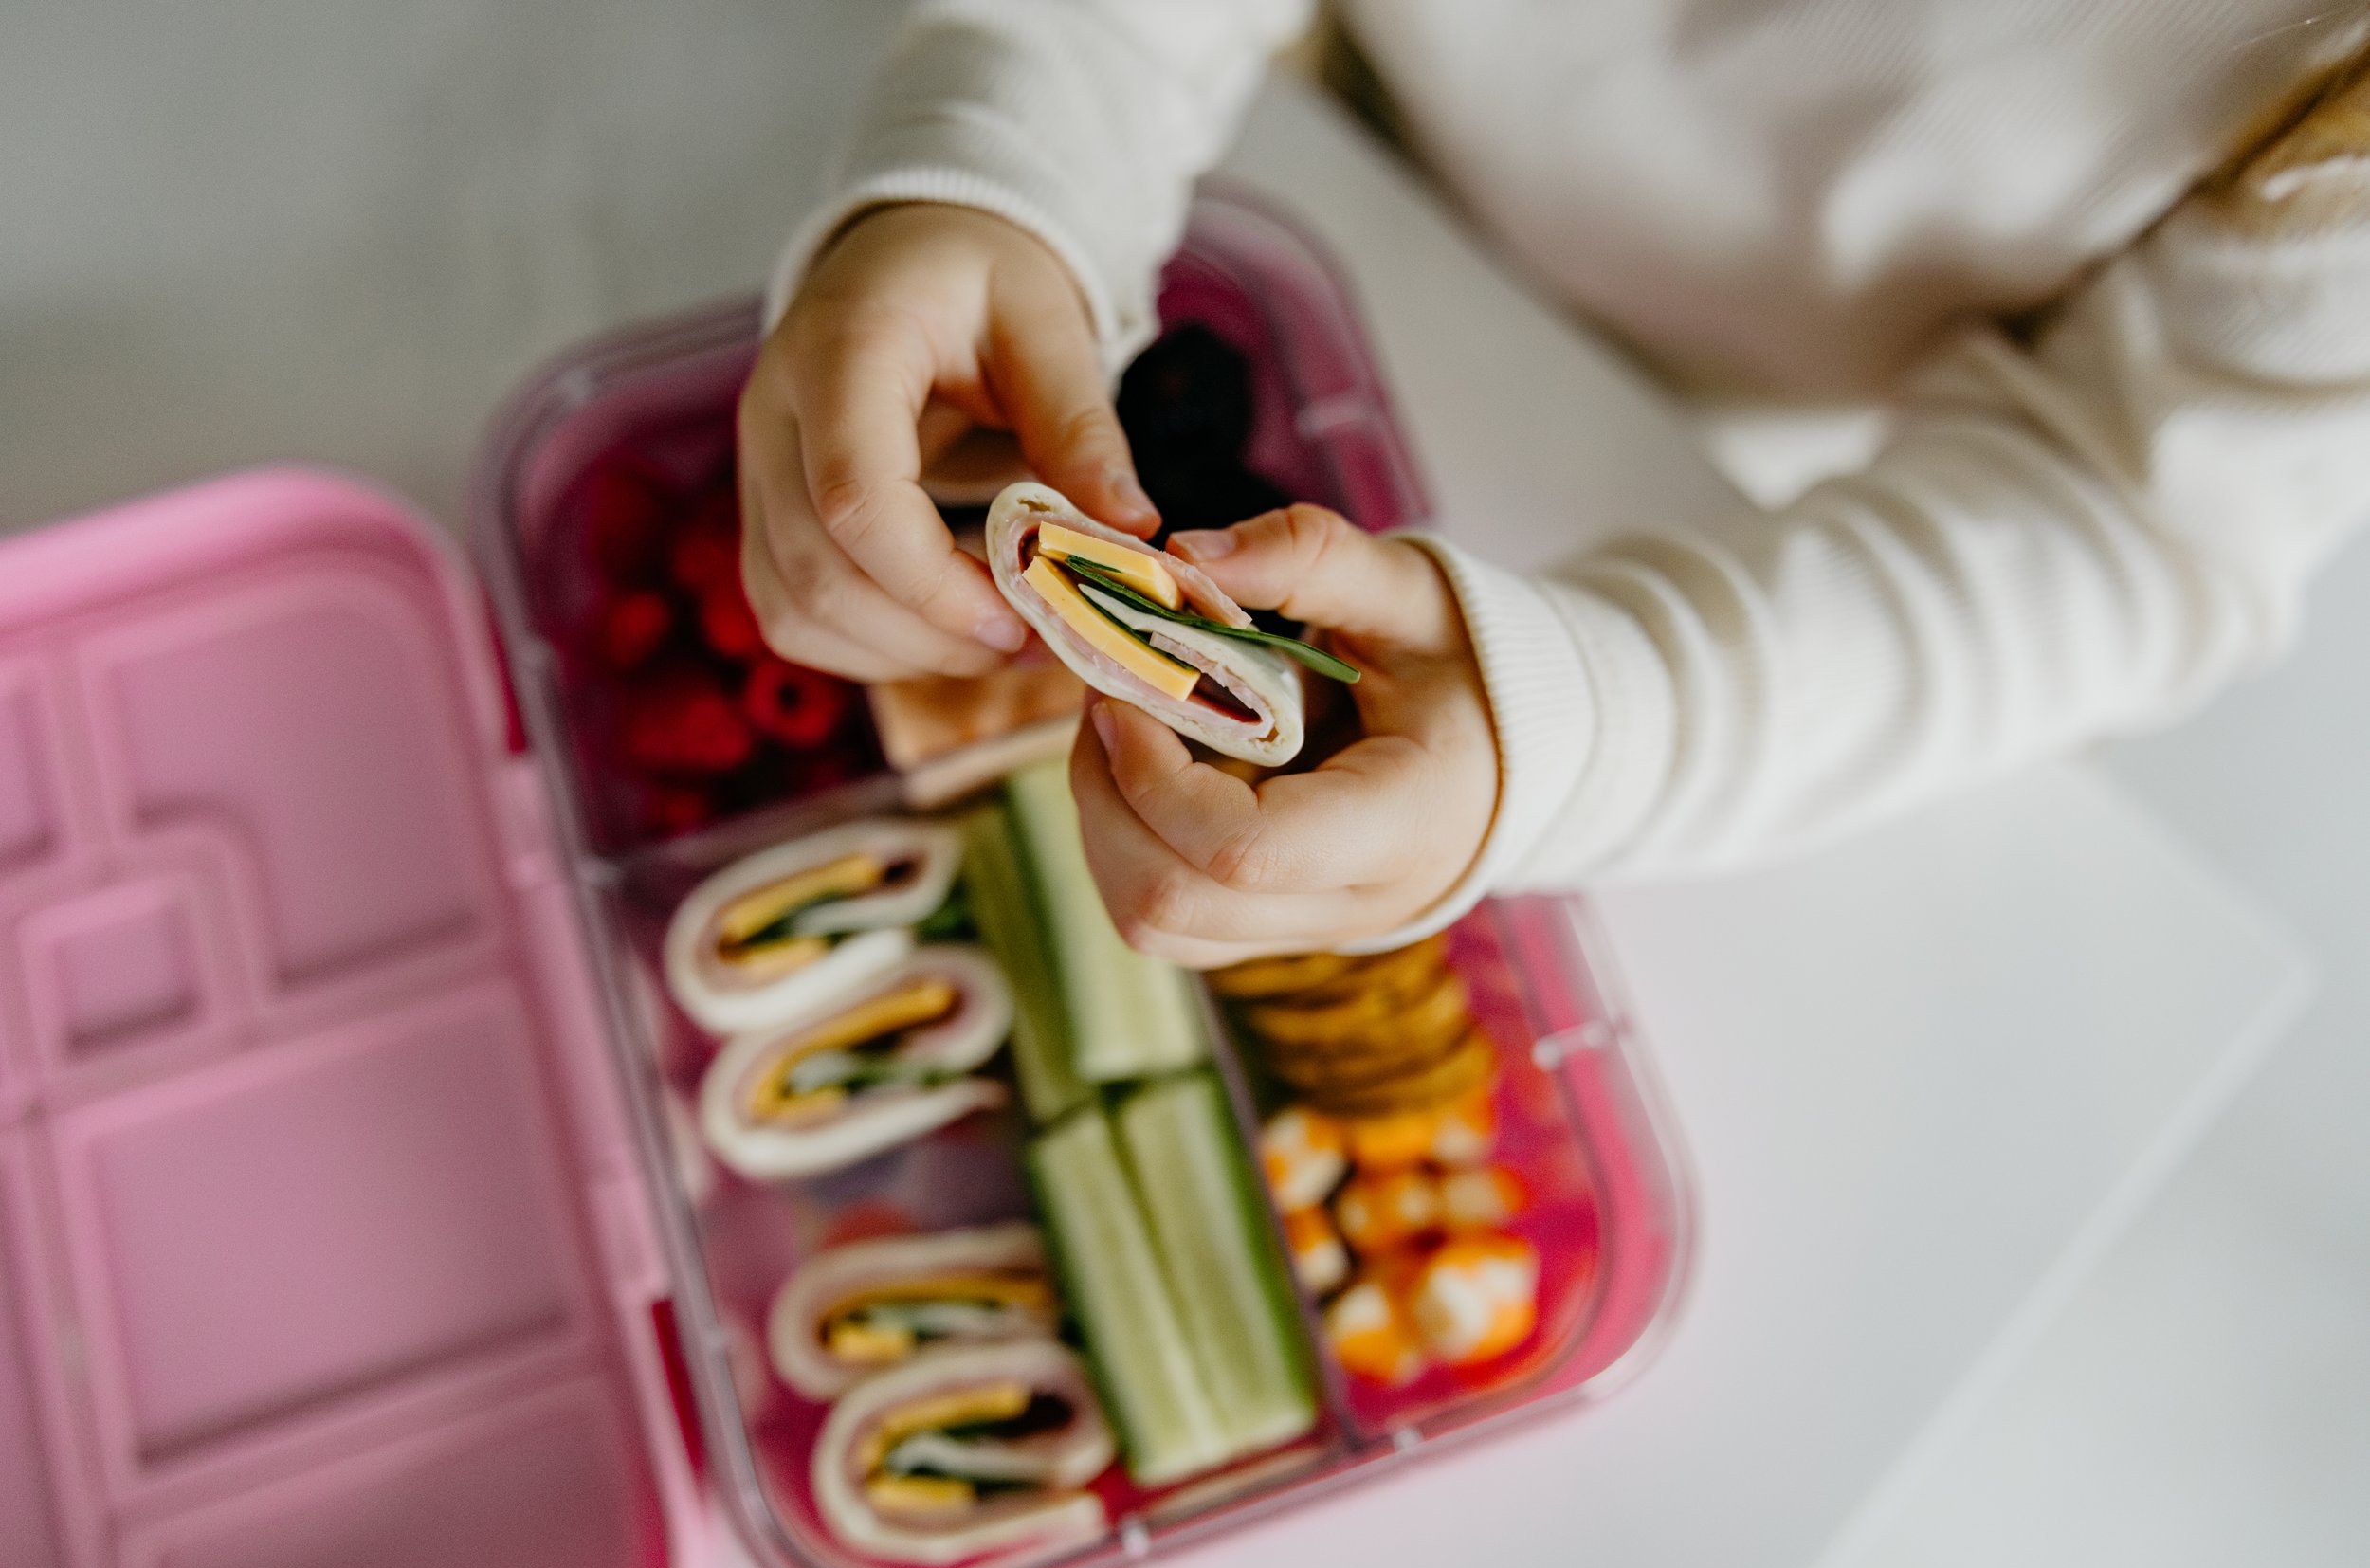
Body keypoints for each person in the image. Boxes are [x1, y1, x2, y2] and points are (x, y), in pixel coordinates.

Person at [738, 1, 2370, 966]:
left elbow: (2125, 504)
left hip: (1730, 476)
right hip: (1289, 107)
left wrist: (1588, 726)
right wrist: (1006, 160)